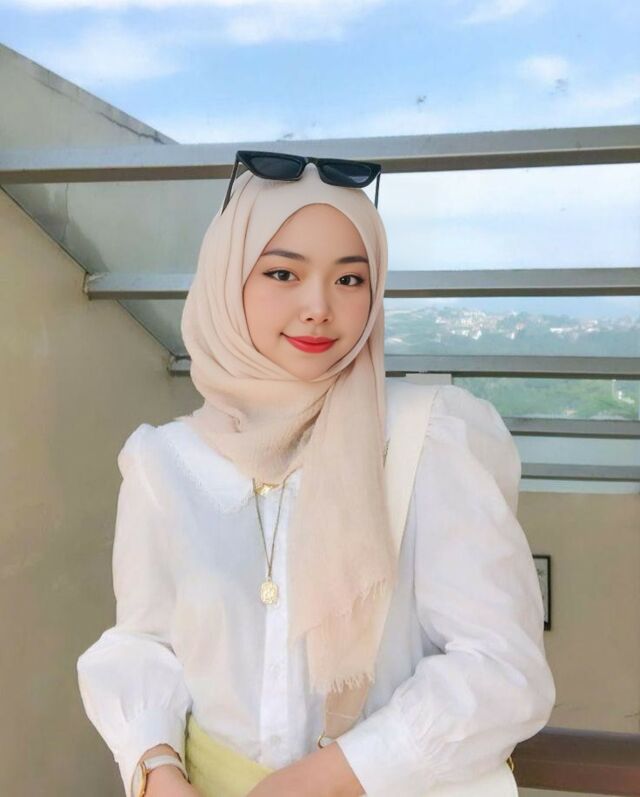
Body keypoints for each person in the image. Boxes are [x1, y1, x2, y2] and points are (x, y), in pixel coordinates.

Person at [76, 155, 556, 797]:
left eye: (350, 280)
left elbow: (503, 669)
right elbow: (144, 642)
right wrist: (155, 771)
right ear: (226, 279)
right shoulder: (165, 462)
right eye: (282, 273)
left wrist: (327, 778)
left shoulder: (429, 438)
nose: (318, 308)